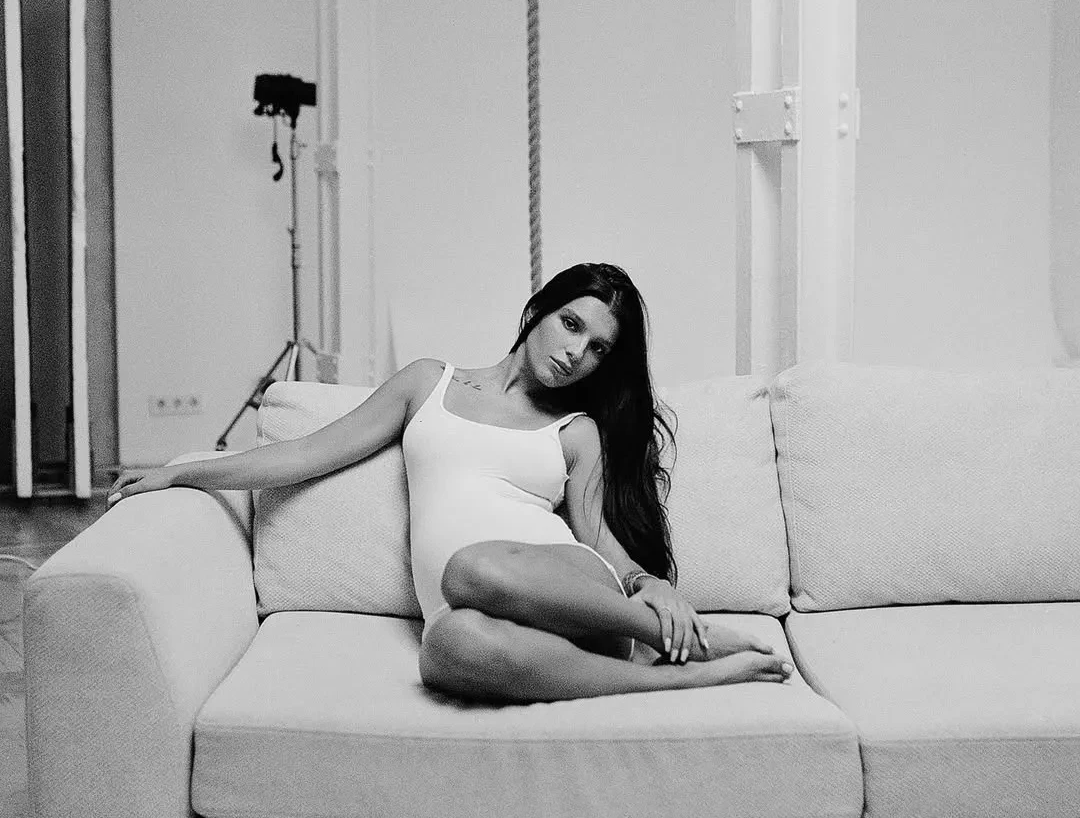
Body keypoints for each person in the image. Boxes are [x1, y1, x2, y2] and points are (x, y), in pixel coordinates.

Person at [109, 262, 792, 702]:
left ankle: (675, 635)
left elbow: (598, 541)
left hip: (575, 601)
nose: (575, 352)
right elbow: (308, 454)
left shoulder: (574, 430)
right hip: (479, 618)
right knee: (444, 647)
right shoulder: (427, 383)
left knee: (470, 566)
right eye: (571, 324)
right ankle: (679, 678)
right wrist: (182, 472)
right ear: (538, 310)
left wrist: (647, 583)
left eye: (597, 348)